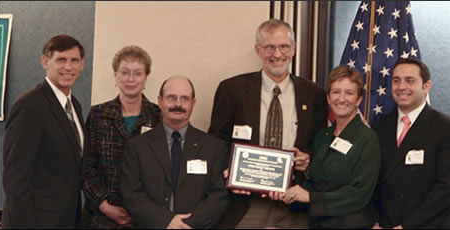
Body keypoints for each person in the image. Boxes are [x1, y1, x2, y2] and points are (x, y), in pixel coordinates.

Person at [209, 19, 328, 228]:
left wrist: (307, 157)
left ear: (293, 49)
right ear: (258, 50)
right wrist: (229, 171)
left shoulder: (314, 94)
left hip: (294, 204)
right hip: (247, 204)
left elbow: (319, 143)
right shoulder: (232, 90)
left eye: (284, 46)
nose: (277, 54)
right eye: (269, 47)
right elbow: (217, 142)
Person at [270, 66, 381, 228]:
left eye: (349, 93)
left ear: (358, 99)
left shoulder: (368, 138)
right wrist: (287, 191)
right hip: (319, 222)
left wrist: (310, 197)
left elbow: (361, 193)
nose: (341, 99)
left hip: (351, 223)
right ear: (328, 98)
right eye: (336, 92)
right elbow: (317, 182)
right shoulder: (322, 136)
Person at [120, 76, 229, 228]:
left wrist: (186, 224)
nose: (178, 104)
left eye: (185, 99)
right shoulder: (137, 146)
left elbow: (219, 195)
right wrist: (166, 221)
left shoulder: (214, 147)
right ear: (160, 101)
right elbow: (131, 194)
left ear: (193, 103)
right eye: (171, 98)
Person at [2, 34, 86, 228]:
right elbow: (16, 179)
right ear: (45, 62)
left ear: (82, 65)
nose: (68, 67)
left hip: (65, 219)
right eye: (61, 60)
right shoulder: (29, 106)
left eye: (74, 60)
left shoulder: (75, 106)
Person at [372, 58, 450, 229]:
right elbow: (373, 183)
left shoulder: (449, 130)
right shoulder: (380, 128)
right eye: (396, 81)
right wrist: (375, 221)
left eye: (410, 80)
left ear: (426, 86)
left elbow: (448, 190)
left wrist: (406, 226)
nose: (401, 87)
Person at [82, 45, 161, 228]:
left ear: (146, 77)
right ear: (115, 76)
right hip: (101, 217)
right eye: (124, 72)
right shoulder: (98, 115)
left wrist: (142, 209)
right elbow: (87, 166)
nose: (130, 79)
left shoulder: (158, 117)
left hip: (145, 218)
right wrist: (105, 206)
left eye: (137, 73)